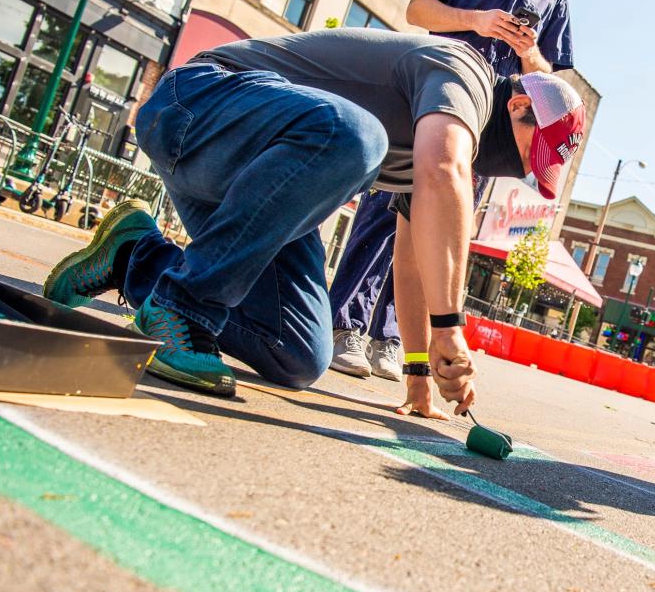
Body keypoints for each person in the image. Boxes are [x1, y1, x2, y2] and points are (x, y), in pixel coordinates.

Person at [43, 28, 585, 418]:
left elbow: (416, 258)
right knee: (357, 136)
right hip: (194, 106)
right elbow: (446, 170)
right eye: (526, 154)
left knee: (299, 353)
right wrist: (452, 328)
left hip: (250, 183)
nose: (515, 170)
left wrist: (420, 372)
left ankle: (135, 258)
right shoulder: (461, 73)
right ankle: (180, 310)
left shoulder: (436, 147)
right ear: (517, 105)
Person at [327, 0, 593, 384]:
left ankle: (393, 338)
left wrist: (527, 51)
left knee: (442, 230)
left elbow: (548, 78)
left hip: (487, 127)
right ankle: (345, 326)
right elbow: (416, 8)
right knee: (385, 211)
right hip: (427, 97)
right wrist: (476, 19)